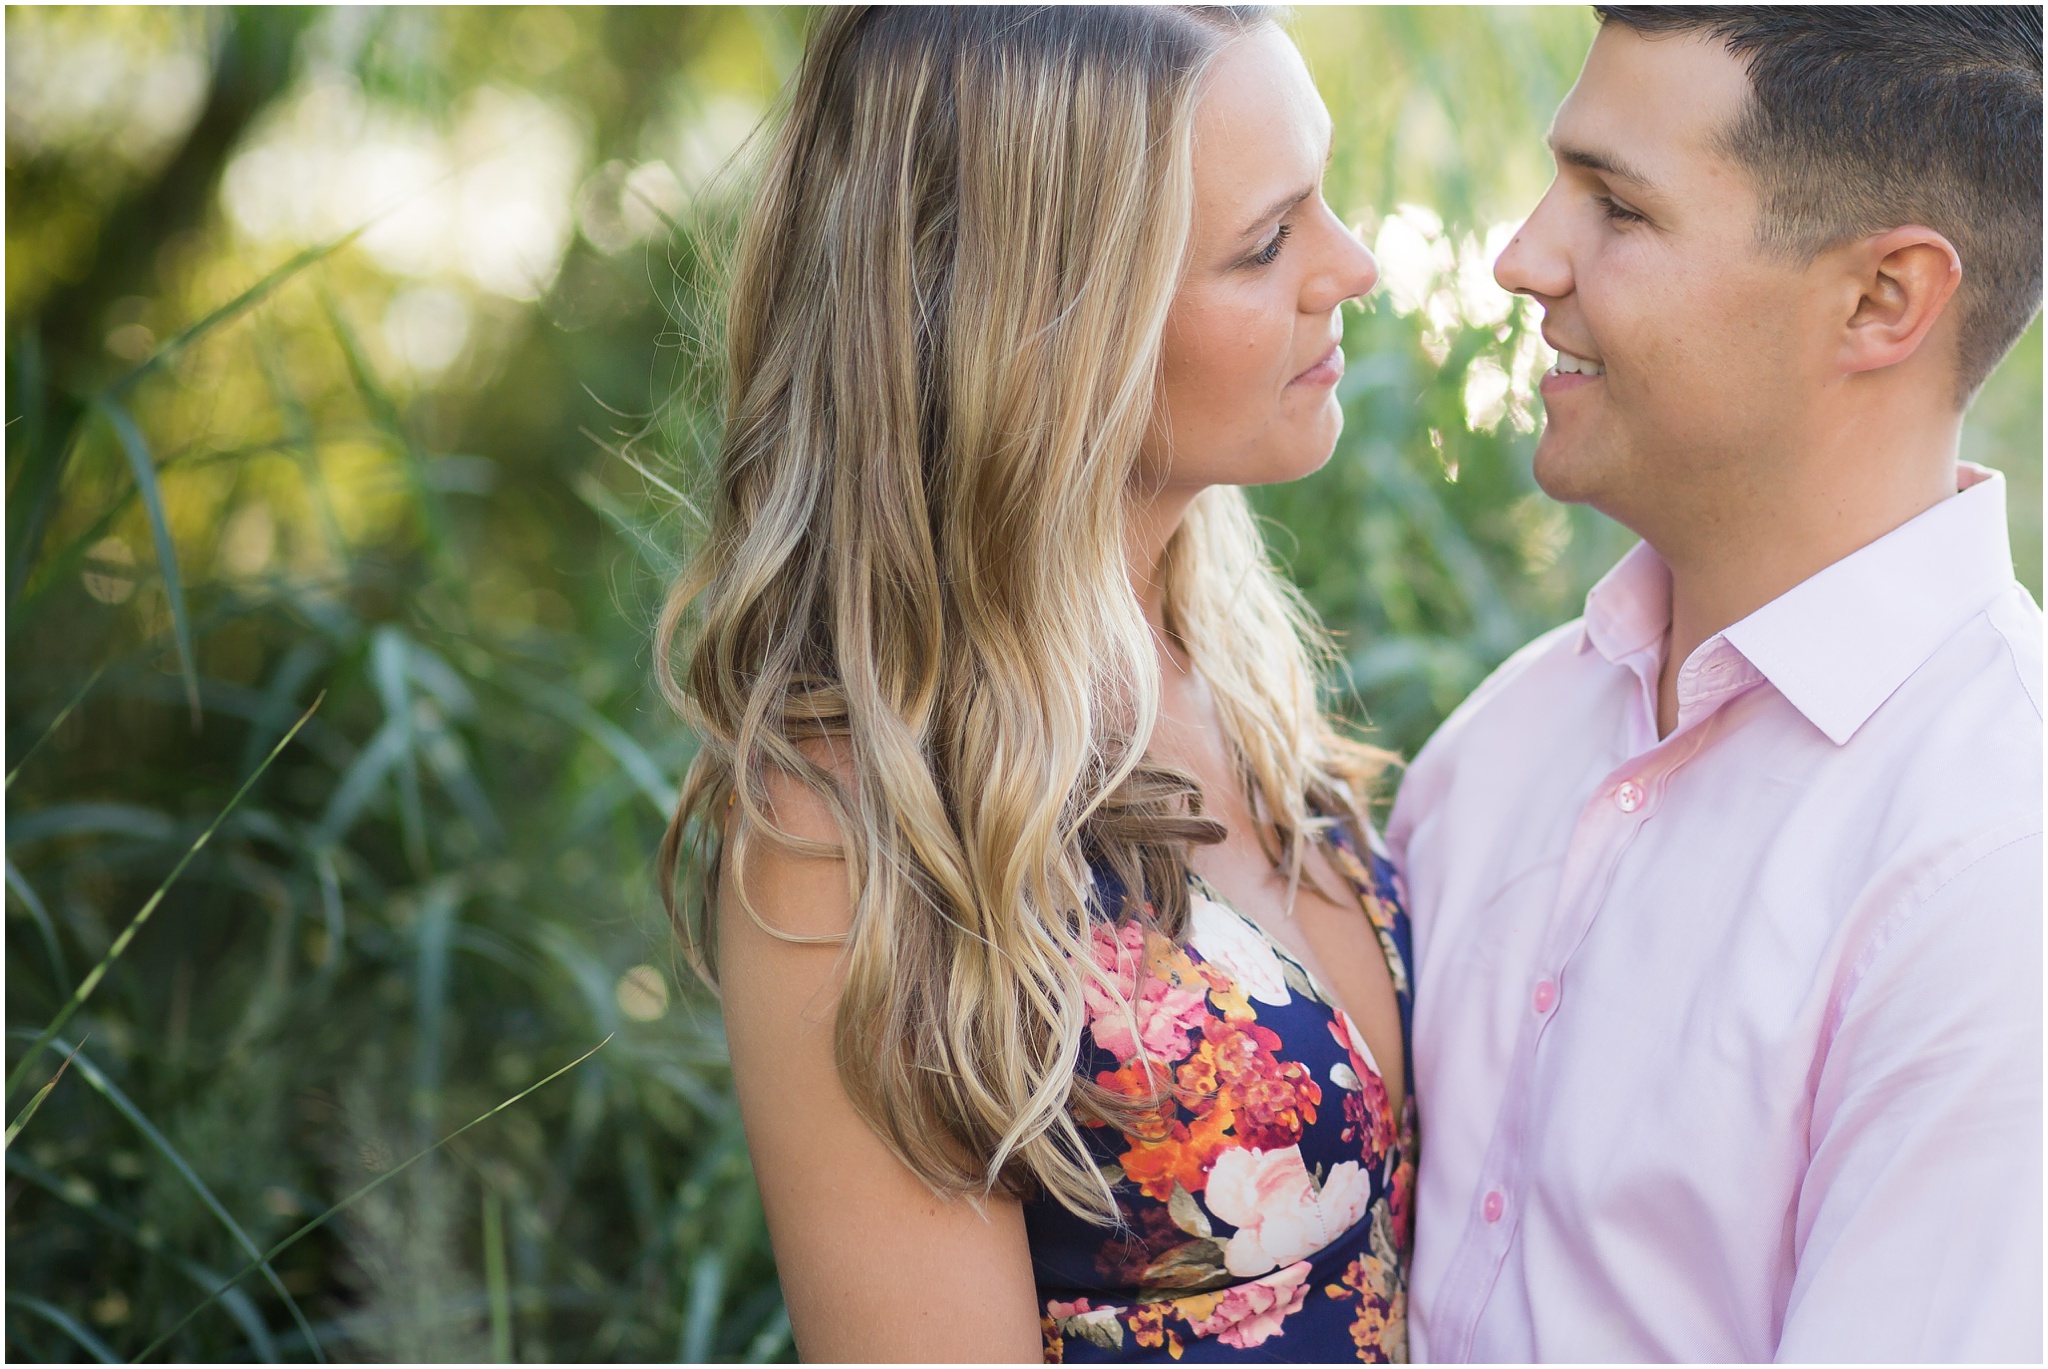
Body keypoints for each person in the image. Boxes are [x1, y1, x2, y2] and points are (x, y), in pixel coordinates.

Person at [657, 7, 1414, 1361]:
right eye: (1266, 242)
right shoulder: (853, 828)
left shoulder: (1224, 660)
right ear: (1048, 333)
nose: (1349, 268)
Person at [1389, 7, 2043, 1361]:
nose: (1522, 259)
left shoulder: (1993, 866)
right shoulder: (1497, 746)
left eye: (1617, 209)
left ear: (1884, 300)